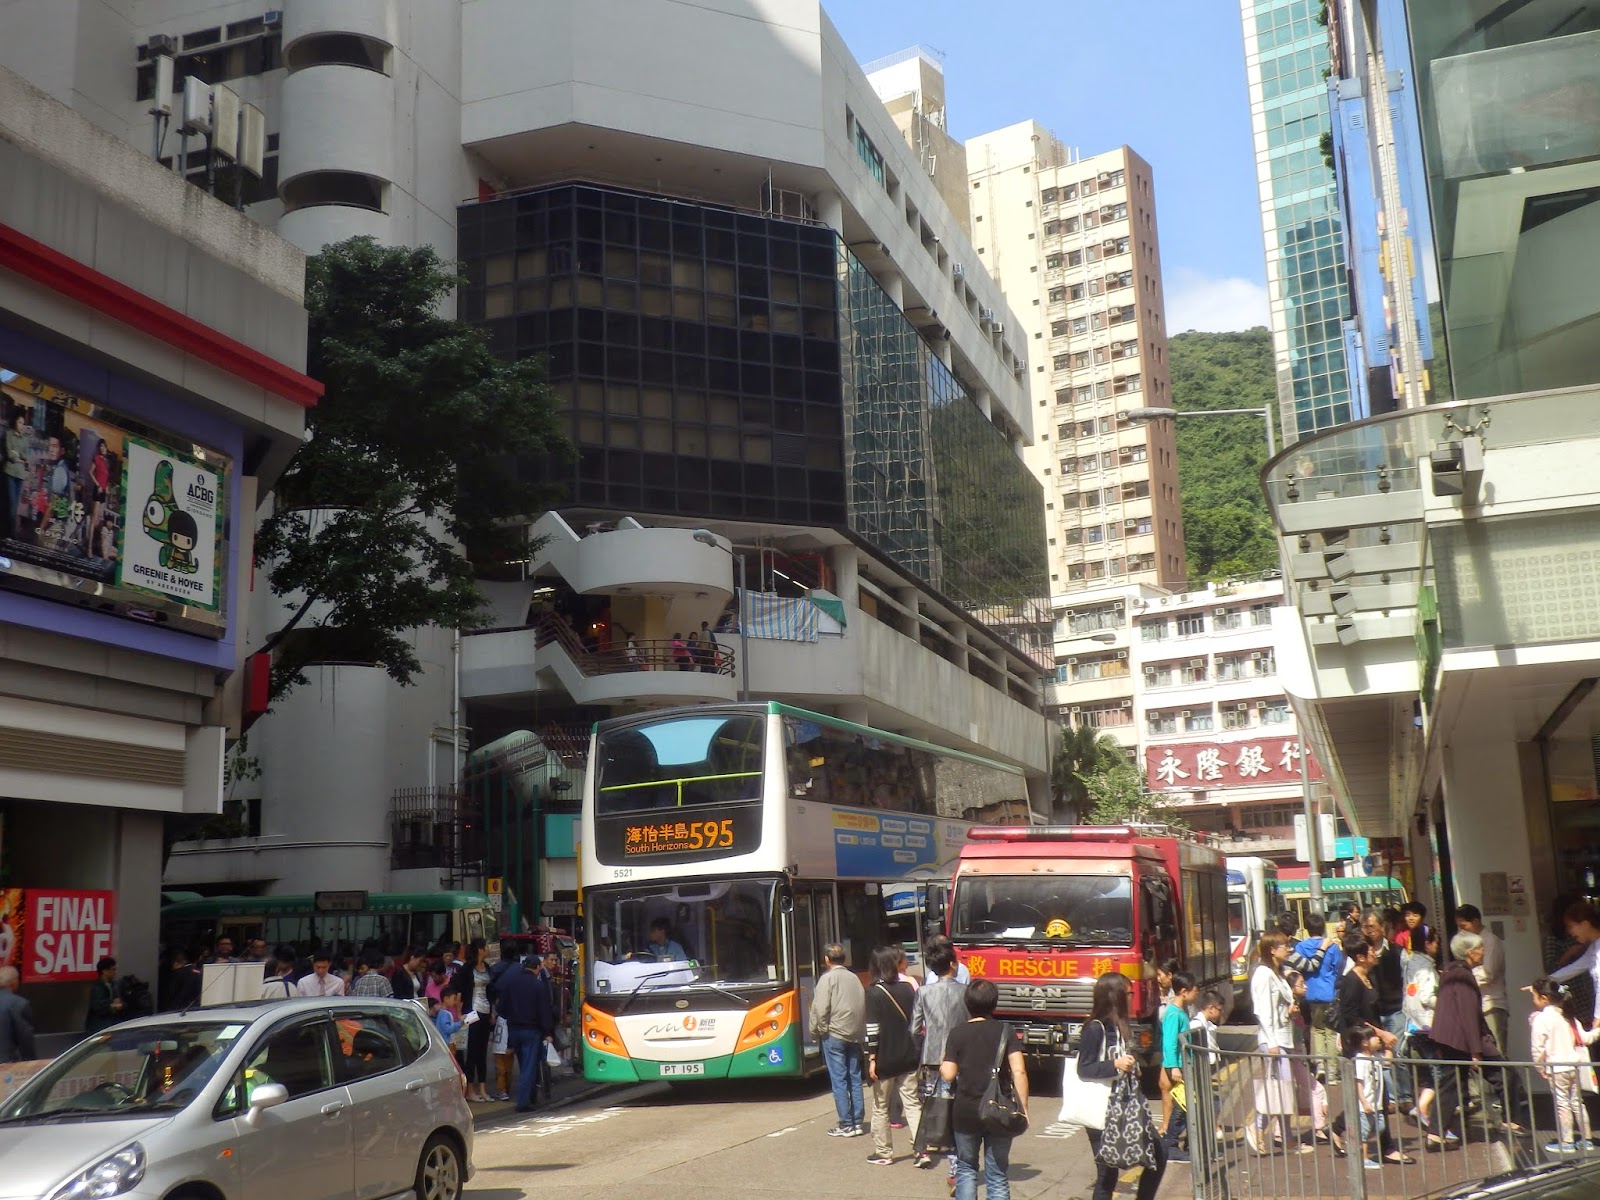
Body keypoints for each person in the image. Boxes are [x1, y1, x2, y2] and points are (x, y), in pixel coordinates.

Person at [1427, 931, 1526, 1142]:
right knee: (1504, 1074)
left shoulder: (1450, 972)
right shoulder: (1464, 976)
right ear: (1470, 952)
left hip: (1448, 1038)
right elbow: (1468, 1014)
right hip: (1464, 1040)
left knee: (1449, 1085)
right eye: (1480, 948)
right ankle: (1510, 1122)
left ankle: (1435, 1134)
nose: (1483, 951)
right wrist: (1475, 1051)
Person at [1076, 973, 1163, 1200]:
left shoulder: (1120, 1026)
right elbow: (1084, 1068)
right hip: (1102, 1110)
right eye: (1129, 993)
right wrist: (1115, 1064)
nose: (1132, 997)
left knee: (1158, 1154)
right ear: (1115, 996)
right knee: (1107, 1173)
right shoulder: (1095, 1028)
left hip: (1125, 1106)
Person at [941, 979, 1028, 1200]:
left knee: (966, 1168)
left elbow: (948, 1074)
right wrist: (1023, 1108)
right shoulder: (1006, 1031)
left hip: (966, 1110)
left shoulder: (957, 1033)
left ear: (967, 1003)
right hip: (999, 1109)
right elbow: (1019, 1071)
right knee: (997, 1173)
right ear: (994, 1003)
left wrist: (944, 1064)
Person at [1329, 933, 1413, 1162]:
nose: (1374, 953)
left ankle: (1342, 1129)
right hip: (1359, 1047)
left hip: (1373, 1044)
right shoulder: (1350, 982)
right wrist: (1380, 1034)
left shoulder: (1370, 977)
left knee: (1378, 1096)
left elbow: (1374, 1012)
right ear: (1360, 957)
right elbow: (1351, 1018)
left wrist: (1383, 1041)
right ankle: (1385, 1147)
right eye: (1369, 951)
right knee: (1373, 1096)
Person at [912, 939, 968, 1179]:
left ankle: (928, 1147)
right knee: (958, 1110)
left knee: (934, 1106)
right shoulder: (965, 992)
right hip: (960, 1058)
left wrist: (922, 1048)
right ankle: (957, 1165)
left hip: (932, 1058)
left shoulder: (923, 992)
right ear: (953, 964)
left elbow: (914, 1029)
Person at [1246, 933, 1305, 1154]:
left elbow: (1279, 1008)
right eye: (1284, 946)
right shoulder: (1263, 974)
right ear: (1272, 949)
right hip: (1273, 1040)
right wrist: (1272, 1042)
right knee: (1279, 1088)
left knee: (1284, 1089)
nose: (1289, 949)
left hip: (1283, 1038)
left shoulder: (1277, 973)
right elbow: (1262, 1011)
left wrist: (1290, 1012)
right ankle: (1257, 1127)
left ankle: (1287, 1136)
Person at [1528, 976, 1599, 1154]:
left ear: (1544, 998)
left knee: (1562, 1104)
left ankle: (1567, 1142)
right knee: (1577, 1103)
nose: (1533, 1000)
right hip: (1574, 1066)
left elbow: (1537, 1048)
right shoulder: (1568, 1017)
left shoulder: (1541, 1019)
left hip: (1556, 1068)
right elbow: (1585, 1038)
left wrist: (1540, 1068)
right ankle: (1587, 1140)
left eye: (1534, 996)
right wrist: (1597, 1030)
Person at [863, 945, 921, 1164]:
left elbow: (872, 1029)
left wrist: (871, 1058)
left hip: (884, 1059)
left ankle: (883, 1152)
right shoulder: (908, 988)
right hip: (908, 1056)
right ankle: (921, 1149)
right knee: (913, 1103)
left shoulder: (873, 992)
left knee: (881, 1107)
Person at [811, 941, 867, 1138]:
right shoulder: (854, 978)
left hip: (834, 1034)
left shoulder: (827, 979)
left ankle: (846, 1123)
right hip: (854, 1034)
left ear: (827, 959)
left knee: (839, 1079)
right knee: (855, 1077)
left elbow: (820, 1009)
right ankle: (858, 1121)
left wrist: (819, 1030)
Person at [1402, 927, 1451, 1147]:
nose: (1437, 946)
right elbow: (1427, 996)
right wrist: (1446, 1002)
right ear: (1428, 943)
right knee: (1441, 1074)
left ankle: (1421, 1108)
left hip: (1413, 1025)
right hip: (1428, 1025)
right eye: (1435, 942)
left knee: (1431, 1074)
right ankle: (1429, 1115)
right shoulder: (1426, 968)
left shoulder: (1409, 963)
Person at [496, 952, 557, 1113]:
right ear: (536, 967)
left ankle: (531, 1097)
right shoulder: (538, 986)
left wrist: (511, 1016)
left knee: (524, 1065)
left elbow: (501, 1008)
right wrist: (547, 1032)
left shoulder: (511, 983)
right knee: (529, 1067)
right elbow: (544, 1011)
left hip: (514, 1030)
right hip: (532, 1031)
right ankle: (523, 1102)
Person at [1456, 905, 1508, 1055]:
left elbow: (1488, 973)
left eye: (1464, 926)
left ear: (1475, 921)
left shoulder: (1490, 941)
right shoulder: (1467, 942)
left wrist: (1465, 976)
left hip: (1492, 1004)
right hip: (1476, 1004)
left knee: (1497, 1051)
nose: (1462, 931)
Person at [1284, 968, 1328, 1144]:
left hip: (1294, 1055)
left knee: (1285, 1094)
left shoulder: (1298, 1004)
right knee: (1317, 1089)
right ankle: (1319, 1128)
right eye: (1301, 984)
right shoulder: (1290, 1006)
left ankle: (1280, 1133)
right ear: (1291, 988)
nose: (1306, 987)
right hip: (1292, 1055)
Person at [1295, 911, 1345, 1061]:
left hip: (1311, 993)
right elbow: (1338, 968)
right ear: (1323, 928)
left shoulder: (1301, 947)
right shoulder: (1332, 946)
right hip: (1330, 992)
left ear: (1307, 928)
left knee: (1317, 1030)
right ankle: (1332, 1070)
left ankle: (1320, 1066)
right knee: (1331, 1031)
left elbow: (1300, 968)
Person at [1160, 971, 1197, 1162]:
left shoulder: (1180, 1012)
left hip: (1183, 1065)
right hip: (1178, 1067)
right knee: (1181, 1107)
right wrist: (1174, 1067)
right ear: (1184, 991)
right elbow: (1169, 1043)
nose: (1196, 995)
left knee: (1186, 1106)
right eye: (1194, 991)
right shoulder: (1173, 1013)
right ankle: (1170, 1145)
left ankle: (1190, 1145)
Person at [455, 939, 494, 1103]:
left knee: (482, 1051)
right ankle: (470, 1089)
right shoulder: (467, 969)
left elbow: (490, 991)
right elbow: (459, 992)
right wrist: (459, 1014)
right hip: (471, 1013)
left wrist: (491, 1012)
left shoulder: (488, 968)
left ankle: (482, 1089)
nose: (489, 950)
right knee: (472, 1051)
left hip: (485, 1012)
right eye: (486, 947)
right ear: (480, 950)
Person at [1351, 1026, 1389, 1171]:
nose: (1377, 1038)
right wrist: (1364, 1102)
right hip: (1366, 1104)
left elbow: (1388, 1061)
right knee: (1365, 1132)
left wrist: (1388, 1045)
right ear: (1365, 1043)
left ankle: (1356, 1140)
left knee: (1381, 1126)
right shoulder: (1360, 1060)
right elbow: (1359, 1084)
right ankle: (1364, 1158)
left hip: (1377, 1103)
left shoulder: (1376, 1056)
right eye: (1373, 1037)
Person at [0, 966, 35, 1063]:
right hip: (7, 1065)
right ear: (14, 982)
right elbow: (25, 1040)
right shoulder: (19, 1004)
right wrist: (30, 1063)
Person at [85, 956, 123, 1033]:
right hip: (98, 1026)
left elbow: (120, 1001)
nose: (115, 972)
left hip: (112, 1024)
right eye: (113, 969)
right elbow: (97, 1006)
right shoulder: (97, 987)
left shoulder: (114, 985)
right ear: (105, 971)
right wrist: (112, 1005)